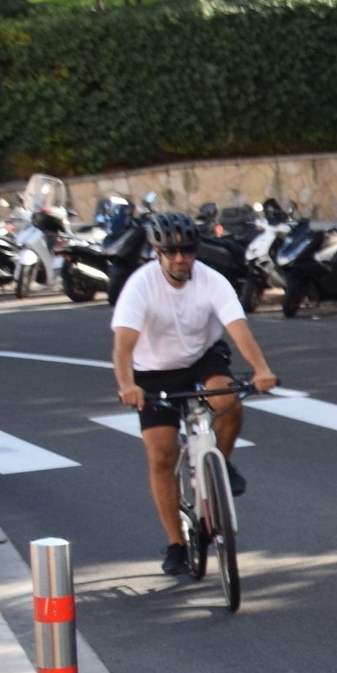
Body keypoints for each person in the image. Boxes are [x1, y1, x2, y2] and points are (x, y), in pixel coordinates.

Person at [112, 216, 279, 577]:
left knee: (228, 400)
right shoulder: (140, 285)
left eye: (186, 250)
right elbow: (123, 345)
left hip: (202, 357)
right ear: (157, 253)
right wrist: (127, 384)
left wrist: (262, 369)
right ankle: (176, 543)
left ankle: (222, 462)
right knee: (161, 456)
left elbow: (239, 330)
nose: (179, 258)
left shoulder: (211, 280)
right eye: (169, 251)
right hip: (153, 369)